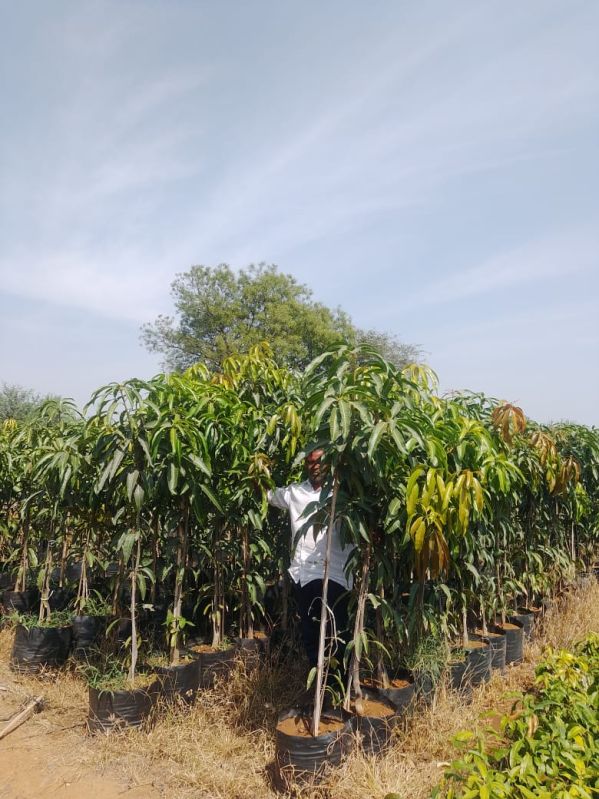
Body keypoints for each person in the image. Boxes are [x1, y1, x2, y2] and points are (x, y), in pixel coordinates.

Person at [267, 448, 354, 677]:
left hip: (336, 574)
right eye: (310, 462)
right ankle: (318, 681)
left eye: (320, 462)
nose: (314, 466)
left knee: (338, 633)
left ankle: (337, 685)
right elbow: (269, 494)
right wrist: (261, 470)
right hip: (304, 573)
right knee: (310, 633)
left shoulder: (344, 493)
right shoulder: (296, 492)